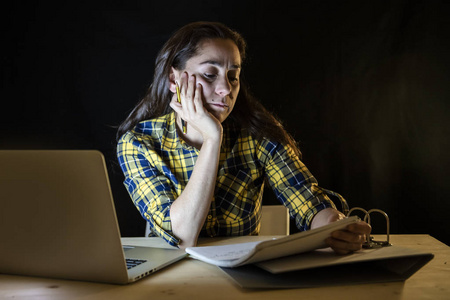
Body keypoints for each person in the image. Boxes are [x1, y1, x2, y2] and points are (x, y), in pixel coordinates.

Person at [116, 21, 371, 253]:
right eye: (209, 74)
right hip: (169, 277)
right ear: (174, 79)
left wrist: (335, 226)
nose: (226, 89)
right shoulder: (138, 143)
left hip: (241, 275)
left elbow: (306, 198)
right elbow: (182, 236)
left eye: (233, 76)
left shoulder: (257, 136)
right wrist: (212, 139)